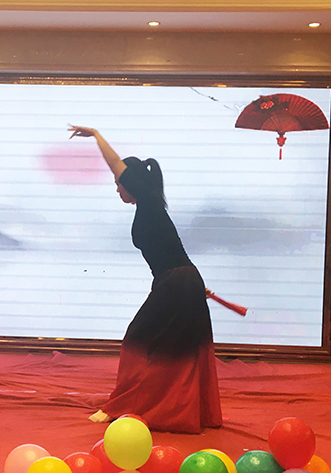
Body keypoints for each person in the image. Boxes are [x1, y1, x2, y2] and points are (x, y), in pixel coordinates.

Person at [68, 125, 222, 433]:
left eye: (119, 183)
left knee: (138, 341)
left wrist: (97, 135)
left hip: (176, 283)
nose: (117, 189)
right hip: (181, 282)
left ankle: (121, 406)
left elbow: (116, 165)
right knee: (174, 346)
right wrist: (193, 286)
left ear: (132, 183)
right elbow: (174, 250)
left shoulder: (150, 202)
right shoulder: (150, 208)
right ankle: (167, 408)